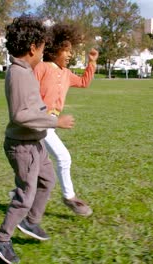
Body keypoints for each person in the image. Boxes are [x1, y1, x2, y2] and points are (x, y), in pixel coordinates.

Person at [0, 15, 75, 264]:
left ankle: (31, 222)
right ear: (33, 48)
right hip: (21, 146)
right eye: (43, 49)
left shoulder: (27, 71)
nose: (44, 54)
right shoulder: (18, 74)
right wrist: (54, 121)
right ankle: (2, 239)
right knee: (25, 194)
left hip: (35, 142)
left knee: (47, 180)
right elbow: (19, 115)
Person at [34, 23, 98, 216]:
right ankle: (69, 198)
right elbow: (30, 93)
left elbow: (84, 82)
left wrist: (92, 62)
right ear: (54, 50)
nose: (70, 55)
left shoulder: (67, 74)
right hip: (39, 122)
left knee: (34, 166)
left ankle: (18, 195)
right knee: (63, 157)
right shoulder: (42, 68)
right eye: (67, 51)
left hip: (51, 123)